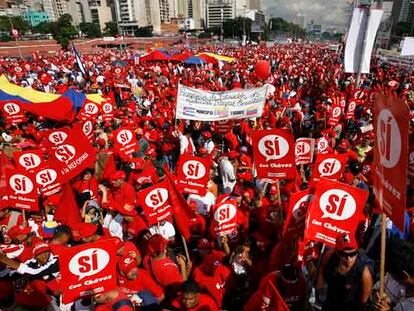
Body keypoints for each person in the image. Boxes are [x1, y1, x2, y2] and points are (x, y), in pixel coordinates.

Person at [316, 233, 373, 311]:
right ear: (337, 252)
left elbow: (363, 302)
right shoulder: (329, 257)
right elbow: (322, 268)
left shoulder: (364, 273)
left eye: (353, 253)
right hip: (330, 302)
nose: (349, 258)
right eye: (344, 254)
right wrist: (320, 282)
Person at [372, 238, 414, 311]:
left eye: (392, 275)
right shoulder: (393, 274)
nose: (389, 275)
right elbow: (376, 288)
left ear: (404, 276)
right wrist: (377, 294)